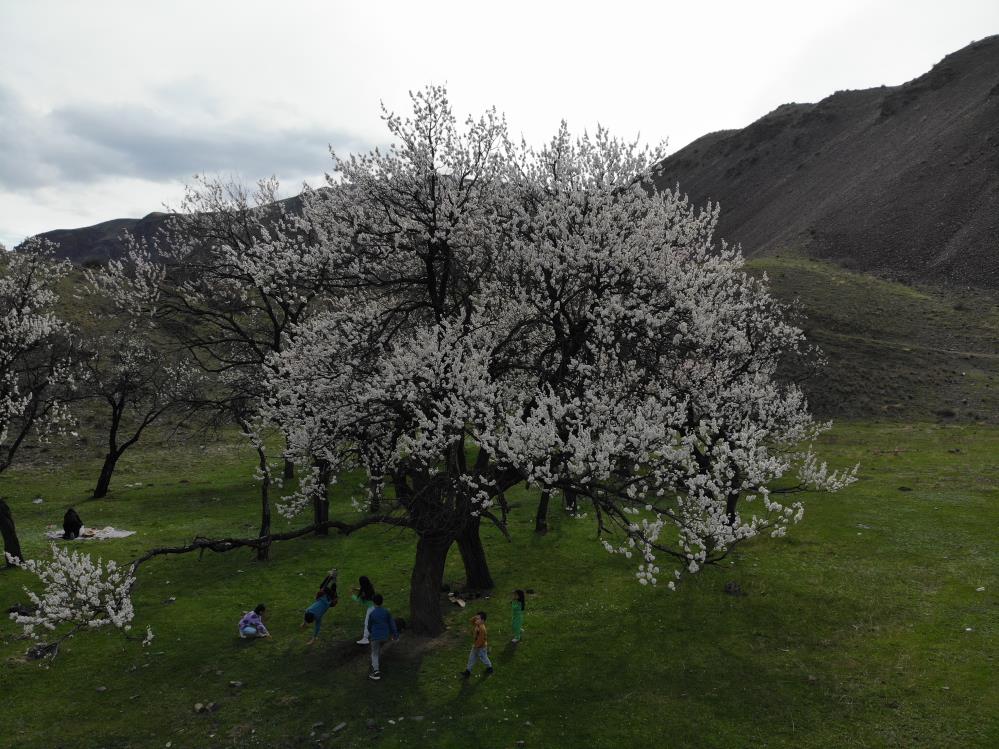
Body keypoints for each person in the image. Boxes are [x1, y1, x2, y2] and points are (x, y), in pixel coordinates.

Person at [366, 593, 398, 680]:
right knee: (379, 647)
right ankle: (380, 661)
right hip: (385, 636)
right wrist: (395, 635)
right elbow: (392, 624)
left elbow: (369, 626)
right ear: (382, 602)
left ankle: (376, 672)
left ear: (373, 602)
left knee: (374, 653)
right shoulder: (386, 612)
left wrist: (371, 633)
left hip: (375, 637)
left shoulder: (372, 614)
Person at [301, 580, 338, 644]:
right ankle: (332, 577)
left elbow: (317, 627)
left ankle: (332, 577)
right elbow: (306, 615)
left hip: (330, 599)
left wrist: (313, 639)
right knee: (325, 586)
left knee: (330, 587)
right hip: (327, 598)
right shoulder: (308, 610)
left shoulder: (317, 616)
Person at [462, 611, 493, 677]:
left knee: (484, 658)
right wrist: (475, 617)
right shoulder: (477, 624)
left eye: (478, 619)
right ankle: (468, 671)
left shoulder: (482, 629)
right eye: (476, 618)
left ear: (482, 620)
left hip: (481, 647)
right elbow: (471, 621)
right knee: (471, 658)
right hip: (476, 646)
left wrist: (477, 646)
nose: (476, 620)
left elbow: (481, 639)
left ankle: (490, 667)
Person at [351, 575, 376, 645]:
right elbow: (363, 589)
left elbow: (359, 601)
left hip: (371, 608)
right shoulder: (370, 587)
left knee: (367, 623)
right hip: (375, 606)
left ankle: (365, 639)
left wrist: (351, 594)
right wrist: (356, 589)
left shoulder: (364, 594)